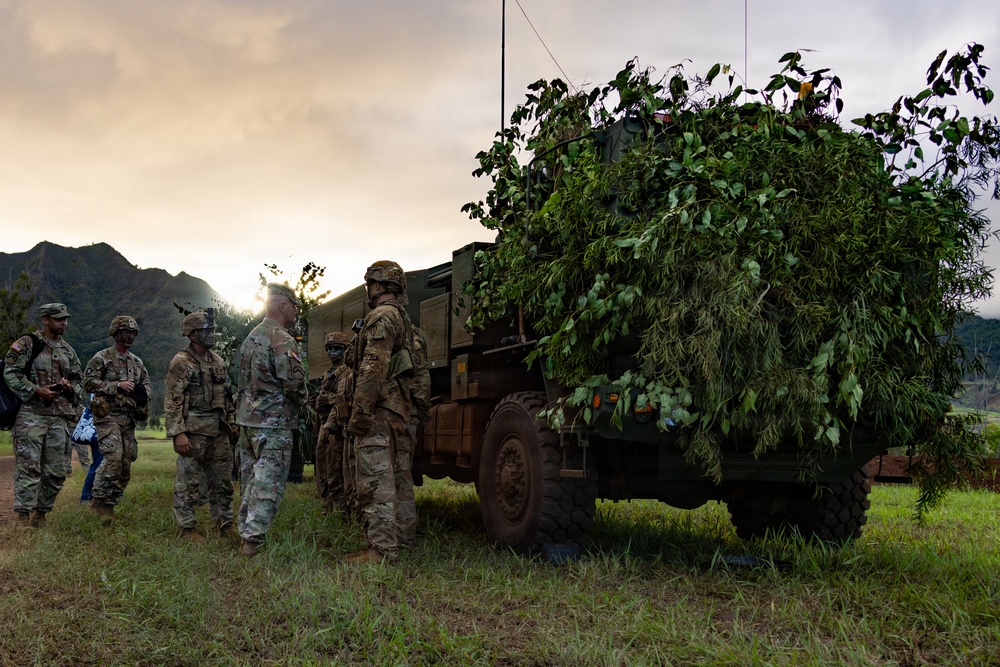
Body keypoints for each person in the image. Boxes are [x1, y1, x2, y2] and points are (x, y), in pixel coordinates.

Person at [346, 260, 417, 564]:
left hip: (379, 408)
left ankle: (382, 550)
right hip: (398, 409)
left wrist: (360, 413)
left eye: (369, 284)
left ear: (376, 285)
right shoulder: (404, 320)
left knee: (376, 478)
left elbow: (372, 368)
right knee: (399, 477)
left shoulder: (381, 317)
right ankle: (404, 539)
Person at [234, 283, 307, 557]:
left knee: (250, 481)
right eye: (294, 306)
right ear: (282, 305)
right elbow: (294, 384)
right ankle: (252, 542)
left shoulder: (251, 338)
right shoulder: (282, 339)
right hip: (273, 424)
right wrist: (304, 401)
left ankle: (245, 531)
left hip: (248, 422)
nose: (296, 311)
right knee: (268, 482)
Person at [3, 303, 83, 528]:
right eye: (58, 319)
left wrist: (69, 388)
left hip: (58, 416)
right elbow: (10, 372)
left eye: (65, 319)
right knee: (29, 467)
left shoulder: (68, 351)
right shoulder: (27, 343)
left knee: (56, 472)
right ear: (45, 320)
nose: (64, 323)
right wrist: (36, 390)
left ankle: (41, 513)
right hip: (31, 415)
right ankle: (23, 517)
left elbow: (78, 380)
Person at [164, 311, 235, 541]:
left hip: (218, 431)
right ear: (192, 334)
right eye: (207, 330)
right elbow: (173, 400)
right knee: (188, 483)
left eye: (213, 330)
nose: (212, 334)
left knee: (223, 482)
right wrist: (178, 433)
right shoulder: (181, 362)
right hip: (193, 433)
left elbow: (226, 396)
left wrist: (231, 424)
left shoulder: (218, 361)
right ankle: (187, 528)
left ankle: (224, 525)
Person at [84, 315, 153, 521]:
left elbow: (147, 386)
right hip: (108, 416)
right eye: (126, 332)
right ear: (115, 334)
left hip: (128, 419)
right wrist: (116, 386)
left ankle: (109, 504)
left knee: (125, 465)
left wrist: (142, 393)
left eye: (133, 333)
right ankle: (99, 503)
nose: (130, 336)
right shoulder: (102, 358)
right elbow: (88, 382)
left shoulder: (137, 362)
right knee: (113, 458)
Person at [313, 331, 354, 514]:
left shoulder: (348, 373)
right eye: (329, 349)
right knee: (322, 466)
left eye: (337, 348)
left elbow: (349, 398)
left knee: (336, 468)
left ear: (345, 350)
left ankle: (341, 510)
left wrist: (329, 399)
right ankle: (327, 507)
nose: (332, 352)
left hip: (337, 427)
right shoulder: (328, 373)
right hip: (324, 424)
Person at [398, 325, 431, 550]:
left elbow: (421, 381)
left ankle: (404, 538)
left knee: (400, 474)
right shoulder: (409, 337)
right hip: (403, 413)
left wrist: (418, 412)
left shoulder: (410, 340)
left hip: (403, 414)